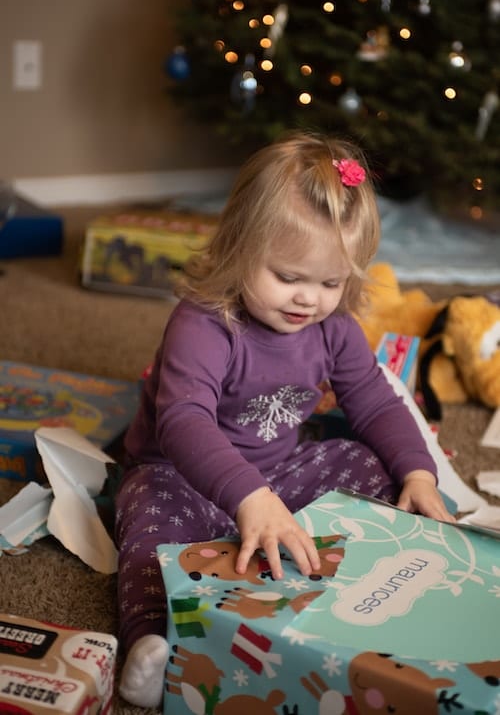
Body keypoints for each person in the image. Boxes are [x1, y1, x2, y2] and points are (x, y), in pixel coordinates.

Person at [115, 130, 455, 708]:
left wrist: (420, 474)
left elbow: (373, 401)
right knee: (147, 513)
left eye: (330, 282)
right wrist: (248, 497)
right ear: (237, 248)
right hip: (183, 476)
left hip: (281, 474)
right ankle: (154, 638)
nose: (309, 300)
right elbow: (183, 421)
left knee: (363, 459)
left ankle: (365, 581)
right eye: (289, 277)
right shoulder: (203, 322)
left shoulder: (334, 325)